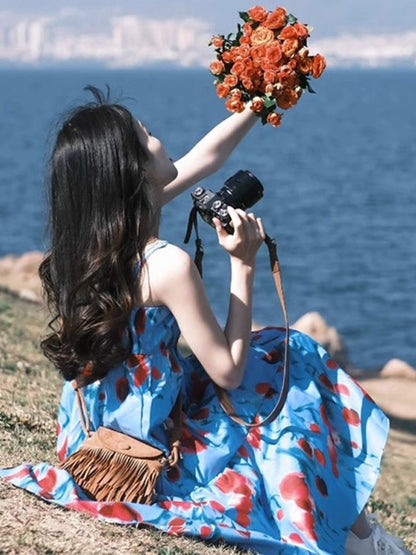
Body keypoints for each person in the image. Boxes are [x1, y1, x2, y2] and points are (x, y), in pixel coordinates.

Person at [0, 87, 409, 555]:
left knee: (275, 354)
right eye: (147, 136)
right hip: (150, 459)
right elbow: (228, 372)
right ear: (133, 170)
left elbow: (207, 156)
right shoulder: (166, 265)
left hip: (89, 442)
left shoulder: (87, 247)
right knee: (293, 359)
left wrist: (259, 104)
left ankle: (359, 533)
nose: (159, 139)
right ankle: (360, 538)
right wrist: (243, 263)